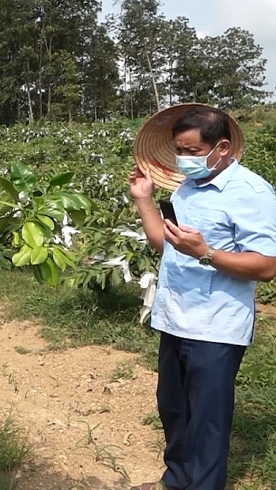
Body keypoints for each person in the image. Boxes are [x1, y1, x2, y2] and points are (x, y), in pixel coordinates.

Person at [129, 106, 276, 490]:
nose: (183, 159)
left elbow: (265, 266)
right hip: (175, 318)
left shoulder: (252, 193)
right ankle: (176, 481)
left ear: (222, 147)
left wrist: (206, 253)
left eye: (192, 151)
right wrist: (144, 200)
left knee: (208, 421)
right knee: (174, 411)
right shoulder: (186, 187)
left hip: (216, 326)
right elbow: (167, 245)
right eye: (180, 150)